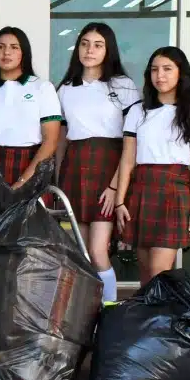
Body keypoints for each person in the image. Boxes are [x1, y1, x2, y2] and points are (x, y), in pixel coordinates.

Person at [56, 22, 141, 302]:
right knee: (78, 251)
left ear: (108, 50)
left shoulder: (123, 86)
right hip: (74, 168)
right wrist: (55, 180)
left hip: (109, 167)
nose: (89, 50)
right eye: (84, 43)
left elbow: (132, 141)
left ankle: (109, 309)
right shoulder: (66, 88)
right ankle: (83, 313)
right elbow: (62, 138)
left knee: (98, 250)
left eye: (97, 44)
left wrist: (116, 187)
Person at [113, 47, 190, 279]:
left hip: (175, 190)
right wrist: (119, 202)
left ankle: (166, 314)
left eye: (167, 69)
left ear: (180, 73)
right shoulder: (138, 111)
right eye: (154, 70)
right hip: (141, 188)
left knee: (160, 272)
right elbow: (127, 159)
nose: (160, 75)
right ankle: (152, 316)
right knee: (146, 273)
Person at [0, 26, 62, 203]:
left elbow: (50, 142)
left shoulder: (42, 88)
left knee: (33, 230)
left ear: (24, 53)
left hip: (33, 169)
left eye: (14, 47)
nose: (6, 52)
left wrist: (21, 184)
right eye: (1, 47)